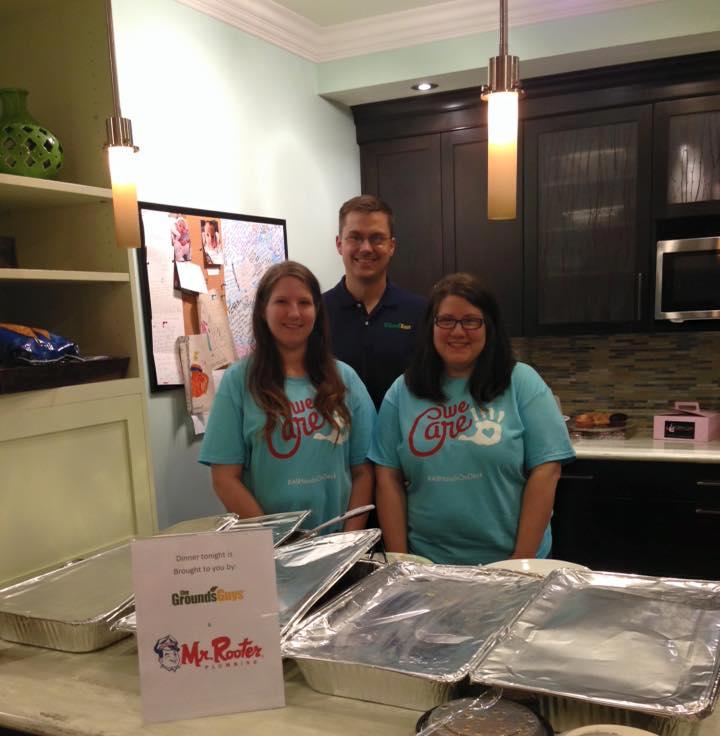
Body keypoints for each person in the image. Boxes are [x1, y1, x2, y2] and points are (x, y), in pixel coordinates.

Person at [370, 273, 575, 565]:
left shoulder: (522, 382)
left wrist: (521, 562)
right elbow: (387, 478)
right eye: (446, 320)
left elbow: (547, 471)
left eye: (471, 320)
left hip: (511, 563)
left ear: (488, 326)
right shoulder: (402, 392)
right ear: (431, 326)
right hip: (429, 566)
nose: (458, 331)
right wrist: (402, 562)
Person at [199, 261, 376, 532]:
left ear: (317, 310)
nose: (294, 313)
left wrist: (348, 542)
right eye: (281, 301)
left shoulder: (345, 379)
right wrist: (277, 542)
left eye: (304, 302)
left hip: (337, 550)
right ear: (262, 309)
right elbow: (224, 479)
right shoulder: (238, 381)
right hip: (268, 552)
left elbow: (363, 471)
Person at [323, 195, 426, 410]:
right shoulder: (315, 312)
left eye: (377, 238)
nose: (366, 248)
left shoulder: (420, 312)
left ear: (392, 246)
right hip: (335, 441)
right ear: (339, 244)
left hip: (402, 440)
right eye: (355, 238)